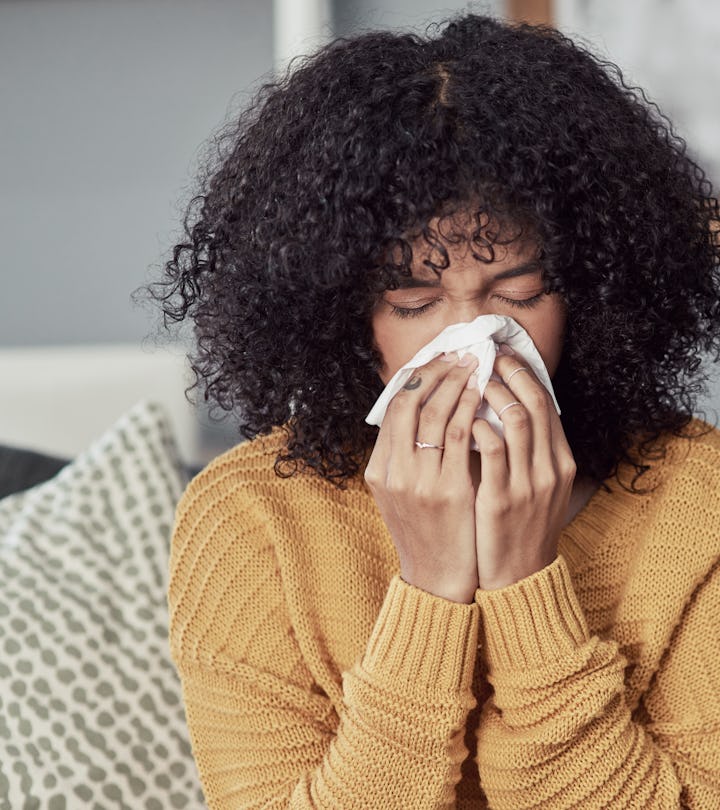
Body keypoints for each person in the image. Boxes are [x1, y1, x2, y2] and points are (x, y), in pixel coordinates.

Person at [153, 12, 720, 809]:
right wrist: (428, 592)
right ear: (344, 312)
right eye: (415, 299)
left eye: (517, 294)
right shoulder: (251, 521)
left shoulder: (701, 503)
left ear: (593, 290)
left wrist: (526, 581)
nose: (469, 342)